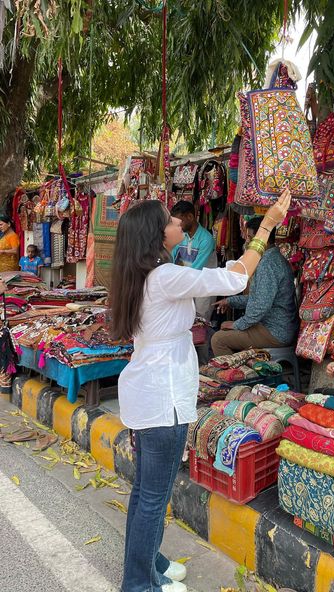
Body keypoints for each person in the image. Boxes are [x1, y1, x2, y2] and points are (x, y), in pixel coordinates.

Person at [110, 189, 291, 592]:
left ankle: (149, 565)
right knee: (152, 497)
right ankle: (139, 584)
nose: (179, 224)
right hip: (164, 398)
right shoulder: (164, 277)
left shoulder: (142, 275)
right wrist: (267, 225)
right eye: (171, 221)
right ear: (158, 234)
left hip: (150, 392)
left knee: (145, 492)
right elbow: (235, 276)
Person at [211, 216, 299, 357]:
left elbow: (261, 305)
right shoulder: (274, 258)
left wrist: (237, 325)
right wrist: (230, 301)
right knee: (225, 330)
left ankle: (239, 377)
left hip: (275, 331)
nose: (247, 242)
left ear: (261, 238)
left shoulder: (267, 264)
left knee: (218, 339)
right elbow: (260, 298)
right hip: (277, 326)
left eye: (250, 238)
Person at [170, 200, 217, 321]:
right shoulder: (181, 237)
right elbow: (171, 257)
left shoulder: (206, 239)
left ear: (190, 217)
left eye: (179, 222)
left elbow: (196, 268)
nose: (177, 226)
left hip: (203, 287)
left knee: (200, 322)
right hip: (186, 284)